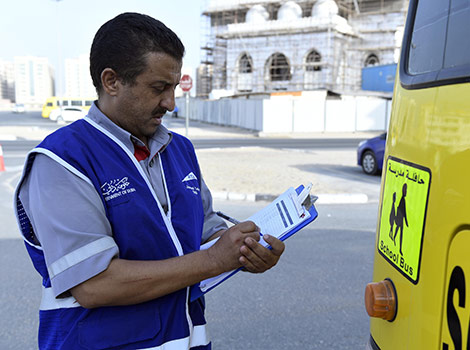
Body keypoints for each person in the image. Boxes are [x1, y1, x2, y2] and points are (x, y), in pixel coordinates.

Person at [15, 13, 285, 350]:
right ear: (111, 81)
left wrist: (245, 250)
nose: (170, 103)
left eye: (173, 88)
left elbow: (204, 228)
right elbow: (94, 284)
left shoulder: (179, 149)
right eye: (158, 88)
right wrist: (215, 259)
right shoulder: (62, 160)